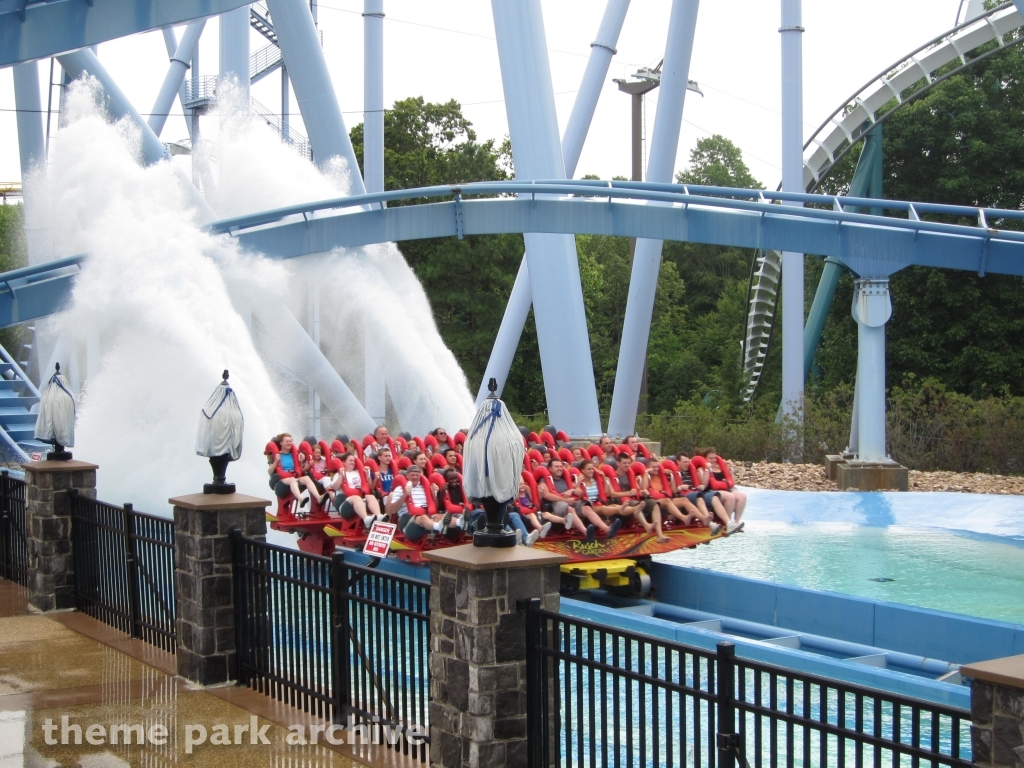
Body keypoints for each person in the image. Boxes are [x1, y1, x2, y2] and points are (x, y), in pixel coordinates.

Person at [393, 465, 463, 541]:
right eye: (412, 475)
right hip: (409, 521)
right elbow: (393, 510)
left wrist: (434, 496)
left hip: (428, 517)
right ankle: (438, 526)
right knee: (422, 518)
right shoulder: (400, 489)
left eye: (417, 475)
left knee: (441, 516)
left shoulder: (425, 487)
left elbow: (435, 508)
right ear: (407, 476)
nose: (415, 477)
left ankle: (461, 522)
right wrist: (405, 495)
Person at [611, 453, 669, 542]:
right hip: (622, 503)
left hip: (634, 499)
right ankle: (647, 525)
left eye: (628, 463)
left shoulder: (631, 475)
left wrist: (642, 492)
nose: (627, 465)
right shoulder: (612, 476)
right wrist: (628, 493)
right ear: (618, 463)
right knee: (636, 504)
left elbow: (637, 489)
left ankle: (660, 535)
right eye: (624, 463)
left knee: (654, 503)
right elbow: (612, 494)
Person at [267, 433, 324, 509]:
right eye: (287, 441)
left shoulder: (294, 455)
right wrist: (276, 461)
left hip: (294, 478)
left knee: (306, 478)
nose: (289, 443)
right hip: (282, 482)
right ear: (281, 443)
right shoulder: (276, 456)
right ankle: (300, 499)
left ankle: (319, 498)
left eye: (290, 441)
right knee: (292, 480)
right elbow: (269, 471)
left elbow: (300, 470)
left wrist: (301, 462)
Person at [331, 452, 384, 529]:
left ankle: (378, 517)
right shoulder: (338, 474)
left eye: (353, 461)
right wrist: (341, 475)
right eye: (350, 460)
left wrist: (367, 475)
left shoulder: (358, 472)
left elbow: (369, 488)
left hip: (360, 501)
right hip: (345, 505)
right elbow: (335, 487)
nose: (352, 462)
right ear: (344, 462)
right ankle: (366, 519)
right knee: (356, 498)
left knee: (370, 497)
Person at [577, 460, 625, 537]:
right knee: (603, 508)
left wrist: (604, 477)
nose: (591, 471)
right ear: (582, 470)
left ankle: (632, 509)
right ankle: (620, 510)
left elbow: (606, 493)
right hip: (587, 505)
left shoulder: (594, 480)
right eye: (589, 469)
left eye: (592, 469)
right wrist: (578, 482)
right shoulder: (580, 481)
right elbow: (577, 497)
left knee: (614, 505)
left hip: (597, 503)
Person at [705, 448, 747, 526]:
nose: (713, 460)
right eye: (710, 458)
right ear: (705, 458)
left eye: (714, 458)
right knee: (730, 497)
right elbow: (704, 484)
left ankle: (736, 522)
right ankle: (727, 522)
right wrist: (707, 469)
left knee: (742, 497)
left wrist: (731, 472)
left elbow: (732, 483)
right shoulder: (704, 469)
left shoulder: (721, 467)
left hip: (726, 488)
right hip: (713, 490)